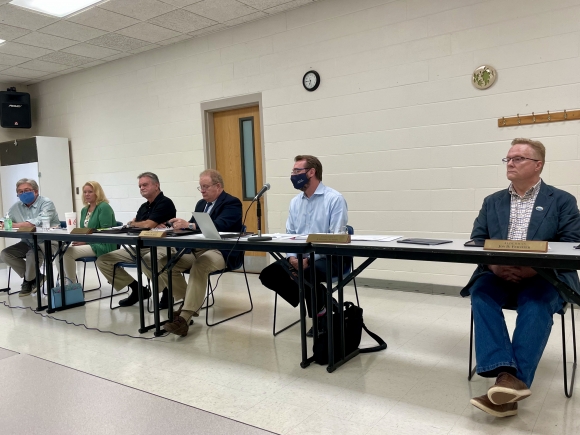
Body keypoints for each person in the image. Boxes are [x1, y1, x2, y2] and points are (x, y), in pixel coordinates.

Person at [463, 138, 580, 418]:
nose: (510, 163)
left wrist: (532, 269)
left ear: (538, 165)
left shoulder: (561, 200)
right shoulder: (493, 201)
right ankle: (509, 378)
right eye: (508, 159)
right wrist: (494, 268)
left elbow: (572, 241)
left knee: (536, 302)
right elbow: (478, 239)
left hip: (545, 275)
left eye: (518, 159)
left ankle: (508, 382)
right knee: (481, 294)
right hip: (498, 271)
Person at [259, 155, 350, 337]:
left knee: (307, 273)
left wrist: (309, 258)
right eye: (292, 171)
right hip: (300, 257)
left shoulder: (334, 199)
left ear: (311, 172)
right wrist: (291, 257)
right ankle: (323, 300)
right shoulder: (295, 203)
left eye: (296, 171)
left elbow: (337, 239)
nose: (293, 175)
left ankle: (320, 319)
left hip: (329, 258)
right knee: (269, 275)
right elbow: (290, 234)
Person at [161, 169, 242, 337]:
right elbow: (193, 227)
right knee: (165, 262)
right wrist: (179, 225)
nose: (202, 191)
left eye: (205, 187)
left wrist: (189, 225)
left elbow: (220, 226)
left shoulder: (232, 203)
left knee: (201, 264)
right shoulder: (201, 204)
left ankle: (184, 318)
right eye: (200, 187)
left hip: (222, 251)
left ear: (218, 186)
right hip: (198, 249)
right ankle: (189, 304)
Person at [96, 172, 176, 307]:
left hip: (162, 246)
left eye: (145, 185)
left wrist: (140, 224)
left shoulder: (165, 203)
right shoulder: (144, 207)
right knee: (103, 260)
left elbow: (147, 225)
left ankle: (167, 291)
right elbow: (141, 226)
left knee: (148, 260)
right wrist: (142, 224)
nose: (142, 188)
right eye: (140, 186)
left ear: (156, 185)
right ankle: (138, 289)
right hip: (142, 246)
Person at [0, 178, 60, 296]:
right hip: (28, 242)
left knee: (32, 254)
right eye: (20, 191)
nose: (23, 194)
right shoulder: (16, 206)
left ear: (36, 191)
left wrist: (12, 224)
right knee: (5, 254)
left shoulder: (46, 203)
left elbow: (32, 224)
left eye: (27, 190)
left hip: (48, 242)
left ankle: (28, 281)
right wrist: (2, 223)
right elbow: (6, 219)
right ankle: (36, 278)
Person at [62, 181, 117, 282]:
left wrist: (86, 242)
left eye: (90, 192)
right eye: (85, 192)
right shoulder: (84, 210)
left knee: (68, 253)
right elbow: (84, 230)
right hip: (88, 243)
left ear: (97, 192)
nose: (87, 194)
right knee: (60, 250)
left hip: (103, 244)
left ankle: (71, 285)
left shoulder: (104, 207)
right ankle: (63, 281)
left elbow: (105, 232)